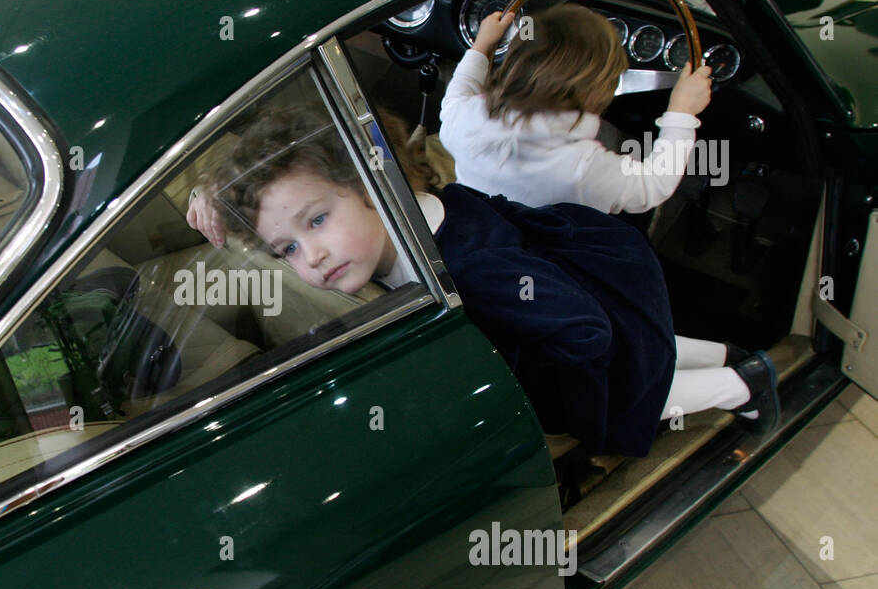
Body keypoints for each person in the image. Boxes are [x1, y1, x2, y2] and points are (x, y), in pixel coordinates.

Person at [188, 106, 779, 455]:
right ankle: (726, 352)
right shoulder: (410, 209)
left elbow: (587, 336)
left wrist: (522, 379)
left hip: (575, 330)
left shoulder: (474, 272)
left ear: (373, 189)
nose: (310, 256)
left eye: (317, 221)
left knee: (625, 400)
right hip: (574, 281)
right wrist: (216, 200)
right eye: (286, 247)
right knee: (640, 347)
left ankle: (742, 383)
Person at [439, 5, 713, 214]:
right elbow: (652, 187)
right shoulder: (582, 169)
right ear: (597, 90)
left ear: (516, 60)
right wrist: (681, 112)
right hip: (546, 252)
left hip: (477, 227)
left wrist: (481, 46)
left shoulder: (463, 119)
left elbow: (459, 90)